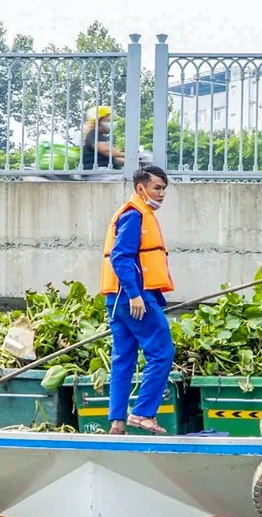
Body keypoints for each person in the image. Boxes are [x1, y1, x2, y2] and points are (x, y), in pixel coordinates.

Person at [99, 165, 175, 435]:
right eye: (157, 188)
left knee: (123, 359)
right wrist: (135, 295)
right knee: (162, 353)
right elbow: (120, 257)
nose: (162, 194)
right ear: (141, 188)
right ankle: (142, 413)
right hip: (135, 299)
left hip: (116, 301)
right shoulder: (135, 215)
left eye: (164, 189)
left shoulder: (132, 213)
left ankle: (117, 422)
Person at [82, 105, 125, 178]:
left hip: (104, 171)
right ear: (98, 121)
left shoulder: (102, 137)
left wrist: (135, 161)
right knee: (126, 179)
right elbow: (106, 151)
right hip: (96, 172)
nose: (111, 123)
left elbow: (114, 159)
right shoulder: (93, 133)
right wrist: (127, 155)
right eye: (108, 121)